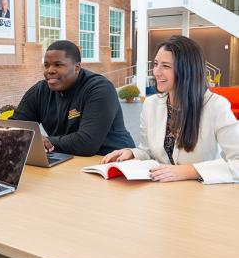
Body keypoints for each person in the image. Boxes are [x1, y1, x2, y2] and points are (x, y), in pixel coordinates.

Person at [102, 35, 239, 184]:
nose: (156, 72)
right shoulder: (151, 104)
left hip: (200, 195)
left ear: (187, 70)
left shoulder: (216, 106)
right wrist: (132, 153)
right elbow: (149, 151)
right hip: (161, 194)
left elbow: (237, 163)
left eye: (165, 66)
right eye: (155, 64)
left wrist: (190, 171)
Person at [12, 40, 135, 156]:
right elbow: (15, 127)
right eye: (46, 65)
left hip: (112, 160)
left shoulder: (99, 89)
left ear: (77, 68)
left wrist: (43, 141)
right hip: (67, 158)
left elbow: (87, 143)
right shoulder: (40, 91)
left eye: (58, 65)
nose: (49, 71)